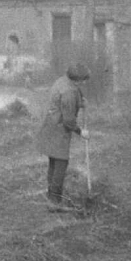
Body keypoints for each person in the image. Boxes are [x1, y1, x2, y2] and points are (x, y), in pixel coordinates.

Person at [37, 64, 91, 206]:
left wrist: (81, 101)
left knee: (53, 163)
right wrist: (81, 132)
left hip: (50, 126)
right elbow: (68, 120)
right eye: (83, 80)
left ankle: (51, 196)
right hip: (58, 130)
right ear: (77, 80)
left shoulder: (63, 80)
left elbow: (75, 93)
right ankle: (55, 201)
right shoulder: (68, 92)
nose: (84, 83)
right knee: (61, 164)